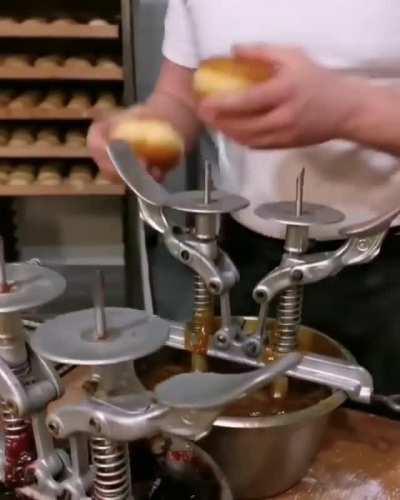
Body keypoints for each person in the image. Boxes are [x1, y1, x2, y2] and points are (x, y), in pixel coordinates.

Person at [88, 0, 400, 398]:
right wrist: (141, 135)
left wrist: (353, 111)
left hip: (386, 269)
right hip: (243, 261)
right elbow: (183, 98)